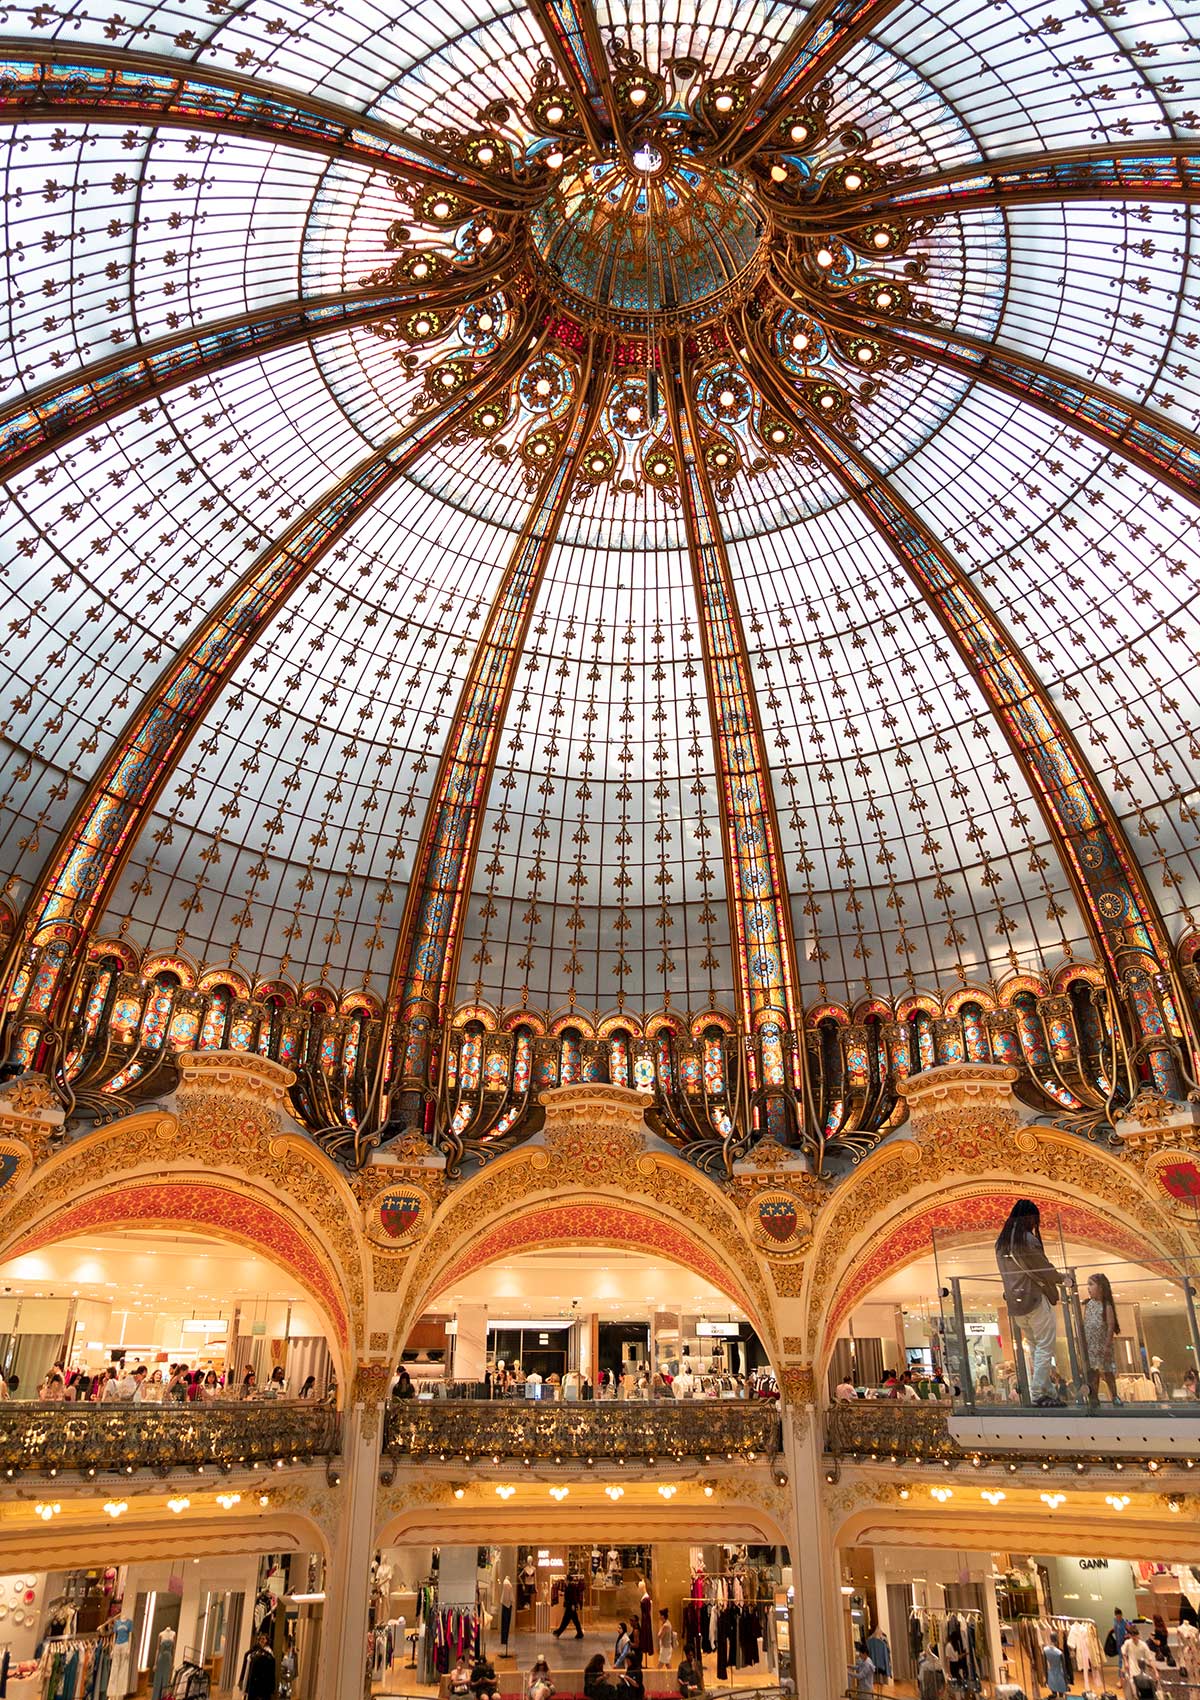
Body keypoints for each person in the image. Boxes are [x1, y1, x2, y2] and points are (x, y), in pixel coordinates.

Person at [995, 1198, 1065, 1406]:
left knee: (1035, 1347)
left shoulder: (1001, 1244)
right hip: (1034, 1299)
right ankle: (1037, 1392)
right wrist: (1062, 1278)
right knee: (1045, 1346)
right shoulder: (1026, 1240)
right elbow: (1042, 1268)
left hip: (1016, 1306)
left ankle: (1047, 1392)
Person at [1083, 1271, 1121, 1408]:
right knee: (1093, 1372)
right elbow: (1085, 1323)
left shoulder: (1106, 1305)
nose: (1088, 1288)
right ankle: (1094, 1397)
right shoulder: (1088, 1305)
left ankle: (1115, 1395)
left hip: (1103, 1344)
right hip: (1091, 1345)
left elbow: (1110, 1325)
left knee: (1107, 1371)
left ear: (1100, 1287)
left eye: (1091, 1284)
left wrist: (1107, 1344)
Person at [1120, 1623, 1158, 1700]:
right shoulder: (1128, 1643)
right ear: (1130, 1636)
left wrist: (1155, 1671)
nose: (1134, 1638)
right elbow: (1123, 1652)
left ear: (1138, 1635)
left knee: (1143, 1686)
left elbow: (1150, 1659)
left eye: (1135, 1636)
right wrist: (1126, 1662)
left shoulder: (1143, 1645)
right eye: (1132, 1636)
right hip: (1132, 1666)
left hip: (1142, 1668)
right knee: (1132, 1685)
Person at [241, 1632, 277, 1699]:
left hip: (262, 1683)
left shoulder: (269, 1653)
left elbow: (270, 1672)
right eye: (260, 1639)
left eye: (263, 1639)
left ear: (267, 1640)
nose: (261, 1640)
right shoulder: (255, 1651)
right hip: (254, 1682)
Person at [553, 1571, 584, 1639]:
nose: (565, 1581)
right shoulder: (570, 1586)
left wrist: (573, 1604)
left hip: (570, 1606)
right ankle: (579, 1633)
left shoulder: (571, 1587)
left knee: (566, 1620)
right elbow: (569, 1595)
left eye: (566, 1580)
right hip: (570, 1605)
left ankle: (559, 1632)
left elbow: (573, 1596)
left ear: (568, 1580)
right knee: (574, 1620)